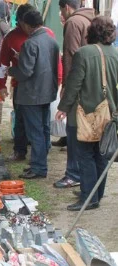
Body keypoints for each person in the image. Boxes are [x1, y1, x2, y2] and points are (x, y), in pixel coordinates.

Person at [56, 16, 118, 211]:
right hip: (109, 113)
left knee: (85, 155)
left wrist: (63, 107)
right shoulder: (115, 54)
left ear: (91, 32)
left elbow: (74, 84)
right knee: (101, 154)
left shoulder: (84, 53)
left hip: (85, 114)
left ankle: (88, 197)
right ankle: (95, 194)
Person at [0, 4, 63, 162]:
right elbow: (2, 63)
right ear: (20, 21)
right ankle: (21, 151)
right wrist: (1, 85)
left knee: (40, 124)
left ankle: (40, 157)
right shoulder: (11, 37)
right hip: (23, 86)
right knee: (21, 120)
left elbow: (56, 61)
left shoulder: (45, 35)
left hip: (40, 86)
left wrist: (59, 80)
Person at [53, 0, 95, 189]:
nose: (61, 14)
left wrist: (66, 87)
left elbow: (70, 55)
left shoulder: (73, 23)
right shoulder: (89, 19)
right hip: (90, 83)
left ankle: (73, 174)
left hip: (77, 83)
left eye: (61, 10)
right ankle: (80, 173)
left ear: (66, 7)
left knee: (72, 128)